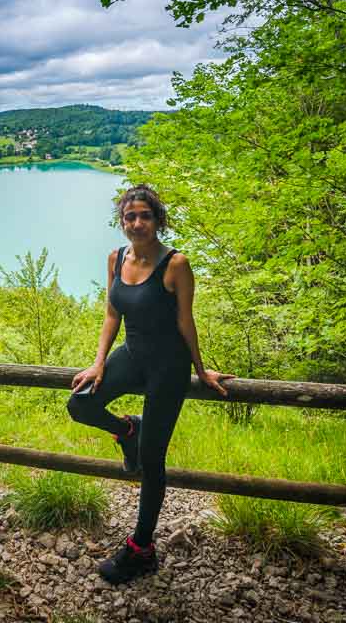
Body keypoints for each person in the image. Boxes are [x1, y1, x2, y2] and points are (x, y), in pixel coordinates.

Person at [67, 184, 235, 585]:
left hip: (167, 366)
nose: (137, 223)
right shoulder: (115, 257)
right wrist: (98, 363)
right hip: (132, 353)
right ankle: (128, 429)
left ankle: (142, 548)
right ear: (122, 222)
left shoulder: (176, 264)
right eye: (130, 217)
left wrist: (202, 369)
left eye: (144, 216)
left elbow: (185, 322)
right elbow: (111, 313)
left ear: (158, 220)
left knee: (152, 459)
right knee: (80, 405)